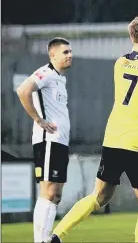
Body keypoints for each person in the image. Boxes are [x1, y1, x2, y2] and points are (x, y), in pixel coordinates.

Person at [43, 15, 138, 243]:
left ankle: (56, 236)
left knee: (99, 197)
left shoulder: (120, 62)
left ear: (132, 36)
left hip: (113, 140)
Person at [16, 37, 73, 243]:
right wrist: (38, 120)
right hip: (48, 141)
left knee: (56, 193)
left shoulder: (60, 78)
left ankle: (45, 239)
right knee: (48, 191)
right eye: (65, 52)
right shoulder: (46, 73)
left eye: (70, 51)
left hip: (60, 142)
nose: (70, 55)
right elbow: (23, 90)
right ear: (53, 55)